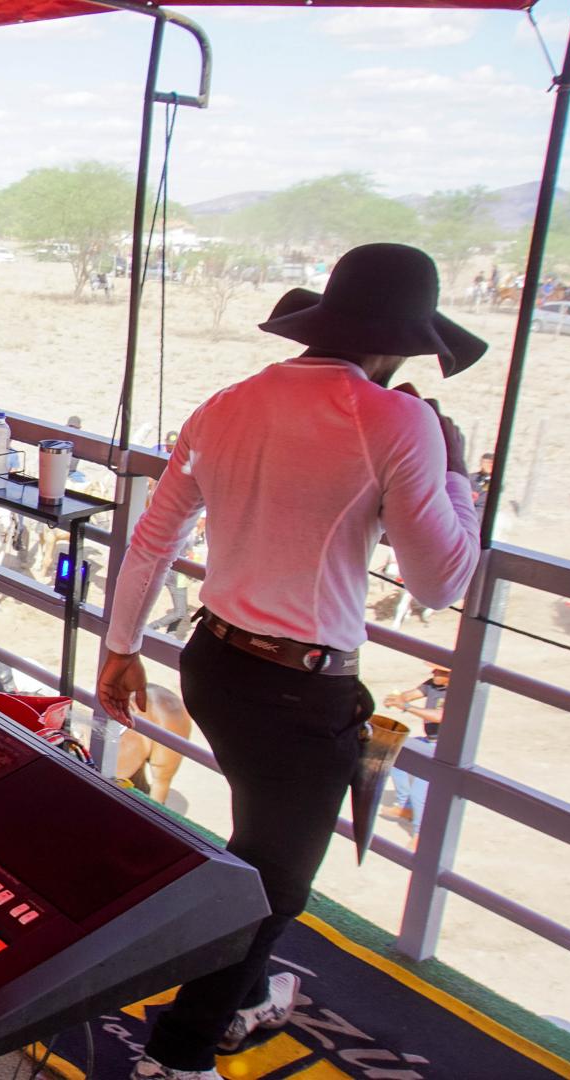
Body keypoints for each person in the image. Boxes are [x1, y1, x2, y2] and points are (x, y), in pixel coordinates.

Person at [96, 243, 485, 1080]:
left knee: (259, 845)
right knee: (276, 881)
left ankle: (239, 996)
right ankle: (178, 1055)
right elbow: (441, 581)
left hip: (214, 663)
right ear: (404, 344)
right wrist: (457, 476)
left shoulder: (228, 403)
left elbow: (154, 539)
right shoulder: (400, 421)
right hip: (299, 689)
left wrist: (122, 647)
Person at [382, 666, 449, 840]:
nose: (434, 673)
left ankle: (420, 835)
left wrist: (406, 707)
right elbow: (412, 694)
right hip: (429, 740)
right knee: (395, 752)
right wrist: (397, 698)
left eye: (439, 671)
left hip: (443, 746)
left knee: (420, 789)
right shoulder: (432, 684)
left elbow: (439, 716)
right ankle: (406, 806)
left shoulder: (457, 693)